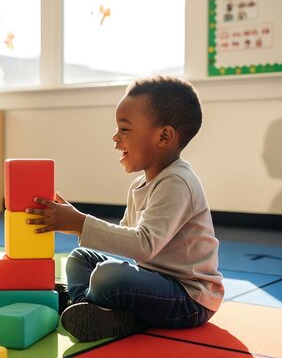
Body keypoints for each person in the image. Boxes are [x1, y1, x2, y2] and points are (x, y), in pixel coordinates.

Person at [27, 76, 224, 342]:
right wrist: (73, 221)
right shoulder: (141, 184)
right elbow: (125, 236)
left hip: (188, 299)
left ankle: (88, 304)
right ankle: (88, 307)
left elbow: (143, 245)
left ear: (164, 136)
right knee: (80, 257)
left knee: (107, 276)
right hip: (154, 281)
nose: (115, 138)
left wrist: (79, 223)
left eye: (125, 129)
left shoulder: (177, 182)